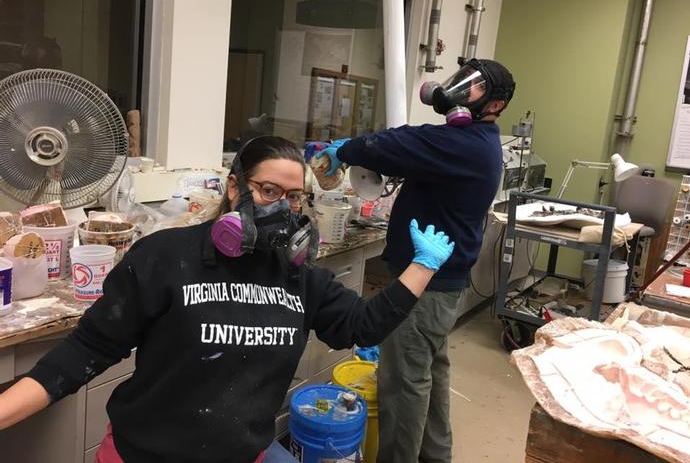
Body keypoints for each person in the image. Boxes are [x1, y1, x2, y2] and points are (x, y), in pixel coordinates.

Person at [0, 136, 455, 463]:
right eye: (269, 191)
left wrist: (424, 266)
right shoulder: (166, 257)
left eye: (294, 198)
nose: (283, 208)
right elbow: (87, 350)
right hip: (142, 454)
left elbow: (362, 326)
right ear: (235, 188)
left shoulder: (299, 279)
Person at [315, 58, 516, 463]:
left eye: (473, 85)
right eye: (462, 78)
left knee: (403, 382)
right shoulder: (470, 142)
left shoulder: (464, 144)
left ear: (494, 105)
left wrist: (346, 150)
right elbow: (411, 148)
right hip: (440, 282)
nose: (459, 87)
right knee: (429, 374)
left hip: (425, 284)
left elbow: (398, 143)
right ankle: (435, 456)